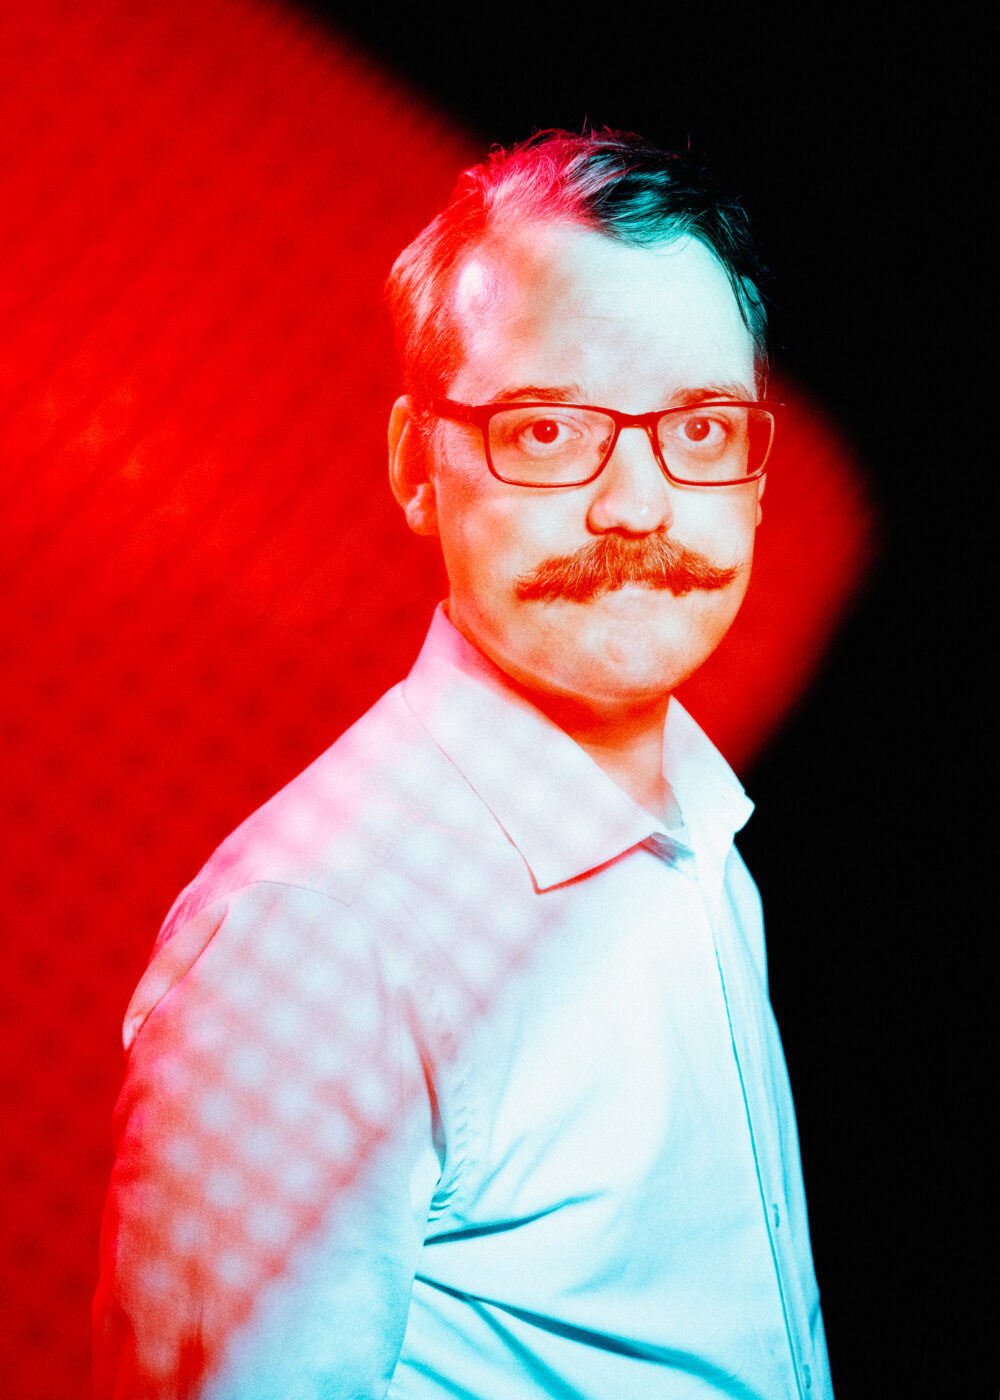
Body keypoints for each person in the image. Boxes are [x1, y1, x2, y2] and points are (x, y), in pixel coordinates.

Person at [94, 129, 833, 1399]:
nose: (636, 505)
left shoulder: (700, 832)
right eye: (546, 429)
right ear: (413, 468)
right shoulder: (313, 944)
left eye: (702, 426)